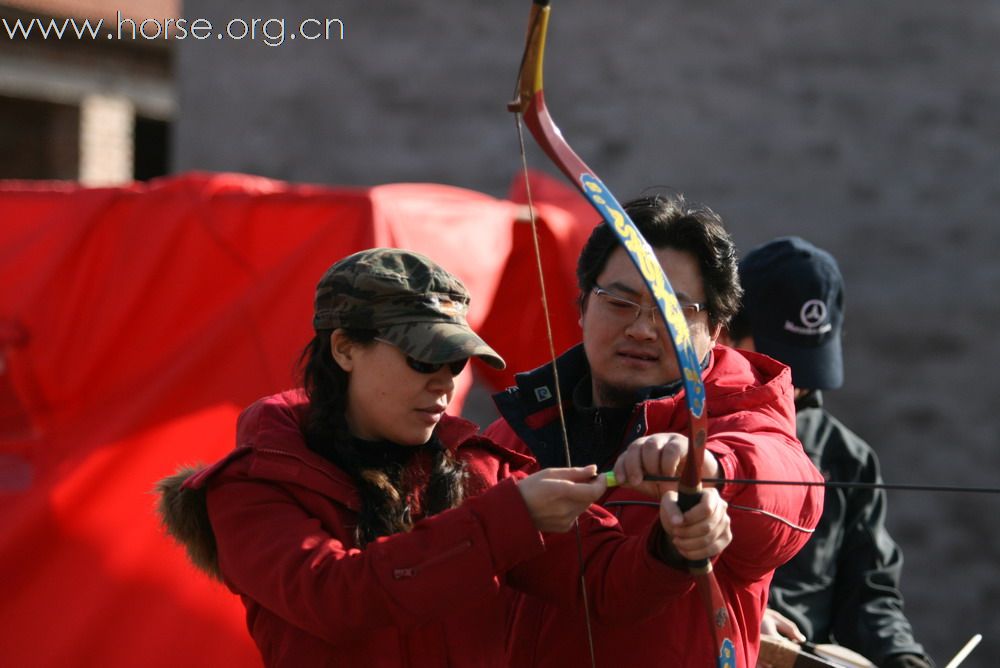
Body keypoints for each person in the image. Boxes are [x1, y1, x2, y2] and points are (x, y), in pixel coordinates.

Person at [155, 248, 732, 668]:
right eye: (421, 360)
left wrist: (677, 542)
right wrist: (513, 518)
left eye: (454, 364)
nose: (443, 383)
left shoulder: (475, 465)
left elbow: (606, 585)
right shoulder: (254, 482)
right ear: (345, 348)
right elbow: (336, 596)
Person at [484, 194, 825, 668]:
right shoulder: (519, 431)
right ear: (582, 306)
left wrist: (710, 468)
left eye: (672, 310)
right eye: (620, 302)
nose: (642, 329)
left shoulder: (739, 411)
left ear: (715, 330)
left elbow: (791, 488)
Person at [722, 236, 932, 668]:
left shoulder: (847, 457)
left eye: (806, 365)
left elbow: (869, 597)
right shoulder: (677, 432)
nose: (793, 384)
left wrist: (904, 658)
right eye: (777, 359)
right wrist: (747, 613)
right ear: (725, 332)